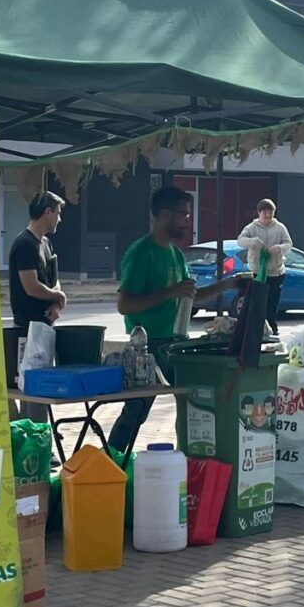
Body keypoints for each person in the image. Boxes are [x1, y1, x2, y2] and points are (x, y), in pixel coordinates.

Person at [109, 187, 246, 452]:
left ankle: (192, 451)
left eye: (188, 214)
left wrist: (228, 285)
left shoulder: (175, 253)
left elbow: (189, 296)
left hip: (175, 342)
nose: (187, 220)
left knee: (195, 399)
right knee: (136, 411)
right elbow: (124, 304)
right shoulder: (141, 253)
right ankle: (110, 461)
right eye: (182, 214)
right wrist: (170, 292)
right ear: (162, 215)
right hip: (147, 346)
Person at [9, 191, 67, 329]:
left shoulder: (46, 243)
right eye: (57, 213)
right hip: (26, 327)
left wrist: (56, 304)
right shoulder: (25, 243)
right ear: (48, 212)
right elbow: (32, 287)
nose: (59, 219)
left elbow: (54, 280)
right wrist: (59, 295)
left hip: (47, 324)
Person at [237, 199, 293, 335]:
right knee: (257, 303)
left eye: (271, 213)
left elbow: (289, 244)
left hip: (276, 272)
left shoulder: (280, 227)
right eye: (265, 213)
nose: (268, 216)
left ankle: (272, 328)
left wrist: (279, 248)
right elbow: (240, 240)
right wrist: (253, 242)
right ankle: (257, 329)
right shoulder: (252, 227)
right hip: (257, 272)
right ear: (259, 212)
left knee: (272, 304)